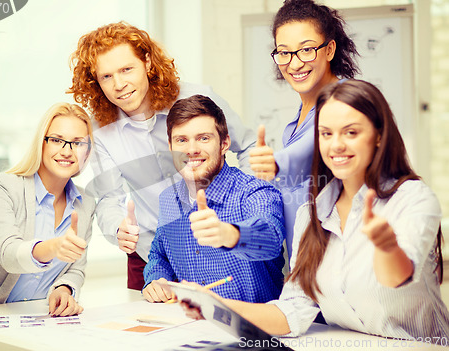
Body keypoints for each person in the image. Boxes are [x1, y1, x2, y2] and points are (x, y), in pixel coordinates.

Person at [181, 80, 449, 339]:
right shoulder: (311, 214)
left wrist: (386, 247)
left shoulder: (413, 198)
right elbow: (292, 311)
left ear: (379, 135)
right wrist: (213, 305)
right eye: (326, 133)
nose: (337, 145)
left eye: (351, 132)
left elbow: (398, 278)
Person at [69, 21, 256, 290]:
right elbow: (110, 198)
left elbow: (248, 147)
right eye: (106, 77)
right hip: (151, 256)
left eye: (126, 69)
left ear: (147, 62)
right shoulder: (100, 131)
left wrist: (243, 214)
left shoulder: (199, 98)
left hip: (218, 245)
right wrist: (117, 229)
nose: (119, 84)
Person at [142, 95, 285, 304]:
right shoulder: (168, 200)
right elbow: (159, 255)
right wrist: (156, 279)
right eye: (181, 140)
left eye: (203, 138)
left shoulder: (255, 191)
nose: (191, 150)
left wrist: (230, 234)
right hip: (191, 327)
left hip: (252, 331)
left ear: (225, 143)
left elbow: (270, 238)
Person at [0, 103, 95, 319]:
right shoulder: (1, 188)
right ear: (41, 143)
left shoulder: (85, 203)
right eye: (57, 140)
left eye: (78, 143)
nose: (67, 151)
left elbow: (76, 269)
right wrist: (53, 247)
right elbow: (9, 254)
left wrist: (64, 289)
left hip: (42, 324)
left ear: (87, 151)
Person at [249, 0, 359, 263]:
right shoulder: (294, 123)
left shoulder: (346, 99)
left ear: (329, 49)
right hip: (305, 266)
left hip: (340, 263)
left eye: (307, 50)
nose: (294, 64)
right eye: (284, 52)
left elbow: (313, 148)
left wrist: (276, 163)